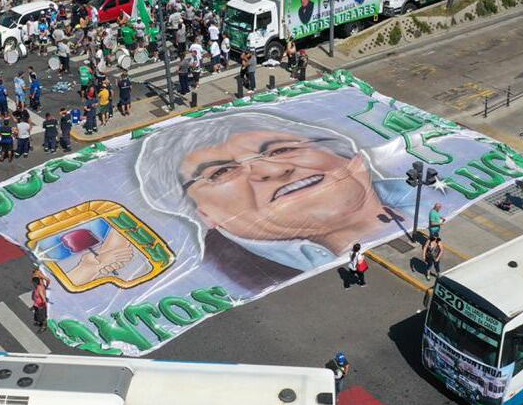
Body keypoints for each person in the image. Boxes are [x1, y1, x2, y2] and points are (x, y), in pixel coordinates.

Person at [134, 111, 421, 292]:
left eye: (281, 150)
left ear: (353, 159)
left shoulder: (426, 200)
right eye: (221, 172)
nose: (272, 170)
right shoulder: (226, 275)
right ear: (205, 216)